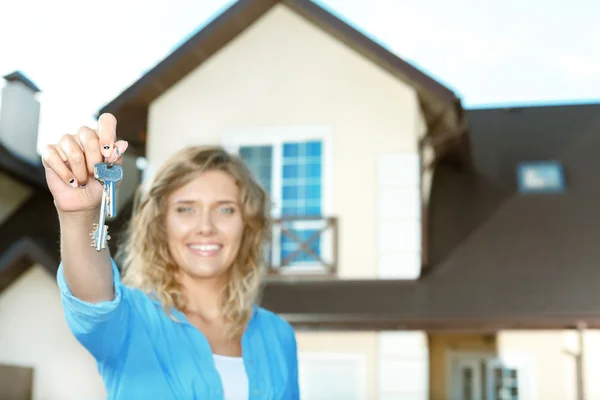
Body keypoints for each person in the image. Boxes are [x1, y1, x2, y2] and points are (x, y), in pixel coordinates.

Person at [42, 113, 300, 399]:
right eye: (185, 209)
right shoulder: (129, 321)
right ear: (160, 222)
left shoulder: (278, 336)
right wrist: (79, 215)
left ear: (247, 223)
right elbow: (91, 295)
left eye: (225, 209)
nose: (206, 227)